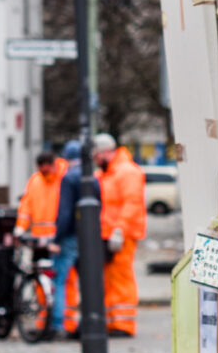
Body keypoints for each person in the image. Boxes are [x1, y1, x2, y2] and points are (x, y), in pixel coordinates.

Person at [92, 133, 146, 337]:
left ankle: (124, 324)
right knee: (110, 278)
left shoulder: (126, 172)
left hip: (122, 234)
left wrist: (119, 230)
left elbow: (131, 203)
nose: (96, 160)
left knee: (121, 277)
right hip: (109, 233)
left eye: (97, 156)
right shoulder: (107, 173)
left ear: (106, 152)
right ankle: (113, 321)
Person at [50, 141, 97, 339]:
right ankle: (87, 322)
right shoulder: (93, 178)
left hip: (69, 237)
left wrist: (57, 238)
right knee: (87, 282)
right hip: (88, 237)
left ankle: (57, 324)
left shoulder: (68, 178)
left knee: (59, 280)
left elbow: (65, 212)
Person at [15, 151, 67, 244]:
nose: (44, 174)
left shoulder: (64, 179)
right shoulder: (35, 180)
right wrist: (20, 227)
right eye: (41, 171)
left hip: (59, 236)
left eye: (46, 171)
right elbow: (26, 206)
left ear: (53, 165)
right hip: (37, 237)